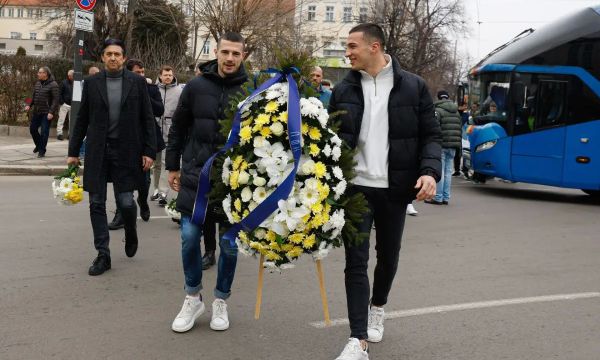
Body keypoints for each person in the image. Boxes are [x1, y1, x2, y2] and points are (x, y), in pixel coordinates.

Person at [328, 23, 441, 360]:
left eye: (351, 46)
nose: (347, 52)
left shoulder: (414, 87)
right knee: (355, 261)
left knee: (388, 256)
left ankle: (378, 305)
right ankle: (357, 339)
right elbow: (331, 139)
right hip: (356, 189)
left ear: (374, 47)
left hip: (395, 189)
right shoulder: (343, 89)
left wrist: (430, 172)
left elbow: (430, 136)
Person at [166, 32, 248, 333]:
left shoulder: (253, 91)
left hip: (234, 183)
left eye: (235, 54)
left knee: (228, 246)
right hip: (195, 176)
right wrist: (172, 166)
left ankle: (221, 301)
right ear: (216, 51)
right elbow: (178, 127)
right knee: (188, 237)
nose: (229, 58)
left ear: (243, 56)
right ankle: (193, 296)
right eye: (225, 52)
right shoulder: (197, 86)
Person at [67, 39, 157, 276]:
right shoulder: (93, 83)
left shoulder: (137, 83)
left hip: (127, 150)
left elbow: (147, 118)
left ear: (124, 58)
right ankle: (103, 255)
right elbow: (82, 119)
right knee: (96, 202)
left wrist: (149, 150)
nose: (113, 58)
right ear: (103, 58)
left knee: (126, 202)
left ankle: (130, 227)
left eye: (117, 54)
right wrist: (73, 152)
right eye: (109, 54)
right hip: (98, 150)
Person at [107, 59, 165, 229]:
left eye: (142, 72)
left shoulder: (151, 88)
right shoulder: (120, 88)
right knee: (122, 179)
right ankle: (121, 214)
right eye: (137, 72)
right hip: (124, 140)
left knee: (144, 180)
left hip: (145, 139)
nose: (141, 75)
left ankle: (143, 200)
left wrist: (144, 92)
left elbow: (159, 110)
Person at [151, 65, 182, 206]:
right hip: (155, 129)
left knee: (164, 162)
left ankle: (163, 192)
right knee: (156, 164)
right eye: (166, 75)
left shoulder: (178, 91)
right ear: (160, 76)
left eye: (170, 75)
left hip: (170, 130)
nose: (168, 77)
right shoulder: (154, 89)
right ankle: (156, 189)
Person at [425, 90, 461, 206]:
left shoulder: (438, 110)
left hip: (442, 144)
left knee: (440, 171)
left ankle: (438, 197)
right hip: (453, 145)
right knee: (448, 172)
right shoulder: (457, 112)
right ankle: (446, 197)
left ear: (439, 98)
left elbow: (435, 128)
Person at [25, 66, 59, 158]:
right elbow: (32, 96)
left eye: (40, 72)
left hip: (46, 113)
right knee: (33, 129)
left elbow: (56, 100)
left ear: (45, 74)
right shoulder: (37, 83)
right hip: (37, 111)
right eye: (38, 72)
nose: (38, 74)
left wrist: (51, 112)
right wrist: (28, 104)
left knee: (44, 132)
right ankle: (39, 145)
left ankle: (41, 150)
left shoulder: (53, 84)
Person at [56, 69, 74, 141]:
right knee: (61, 119)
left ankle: (70, 134)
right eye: (73, 75)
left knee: (72, 121)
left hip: (73, 105)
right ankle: (59, 134)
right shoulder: (63, 83)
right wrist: (62, 103)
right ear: (69, 76)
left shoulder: (75, 83)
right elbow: (59, 93)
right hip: (64, 104)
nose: (74, 77)